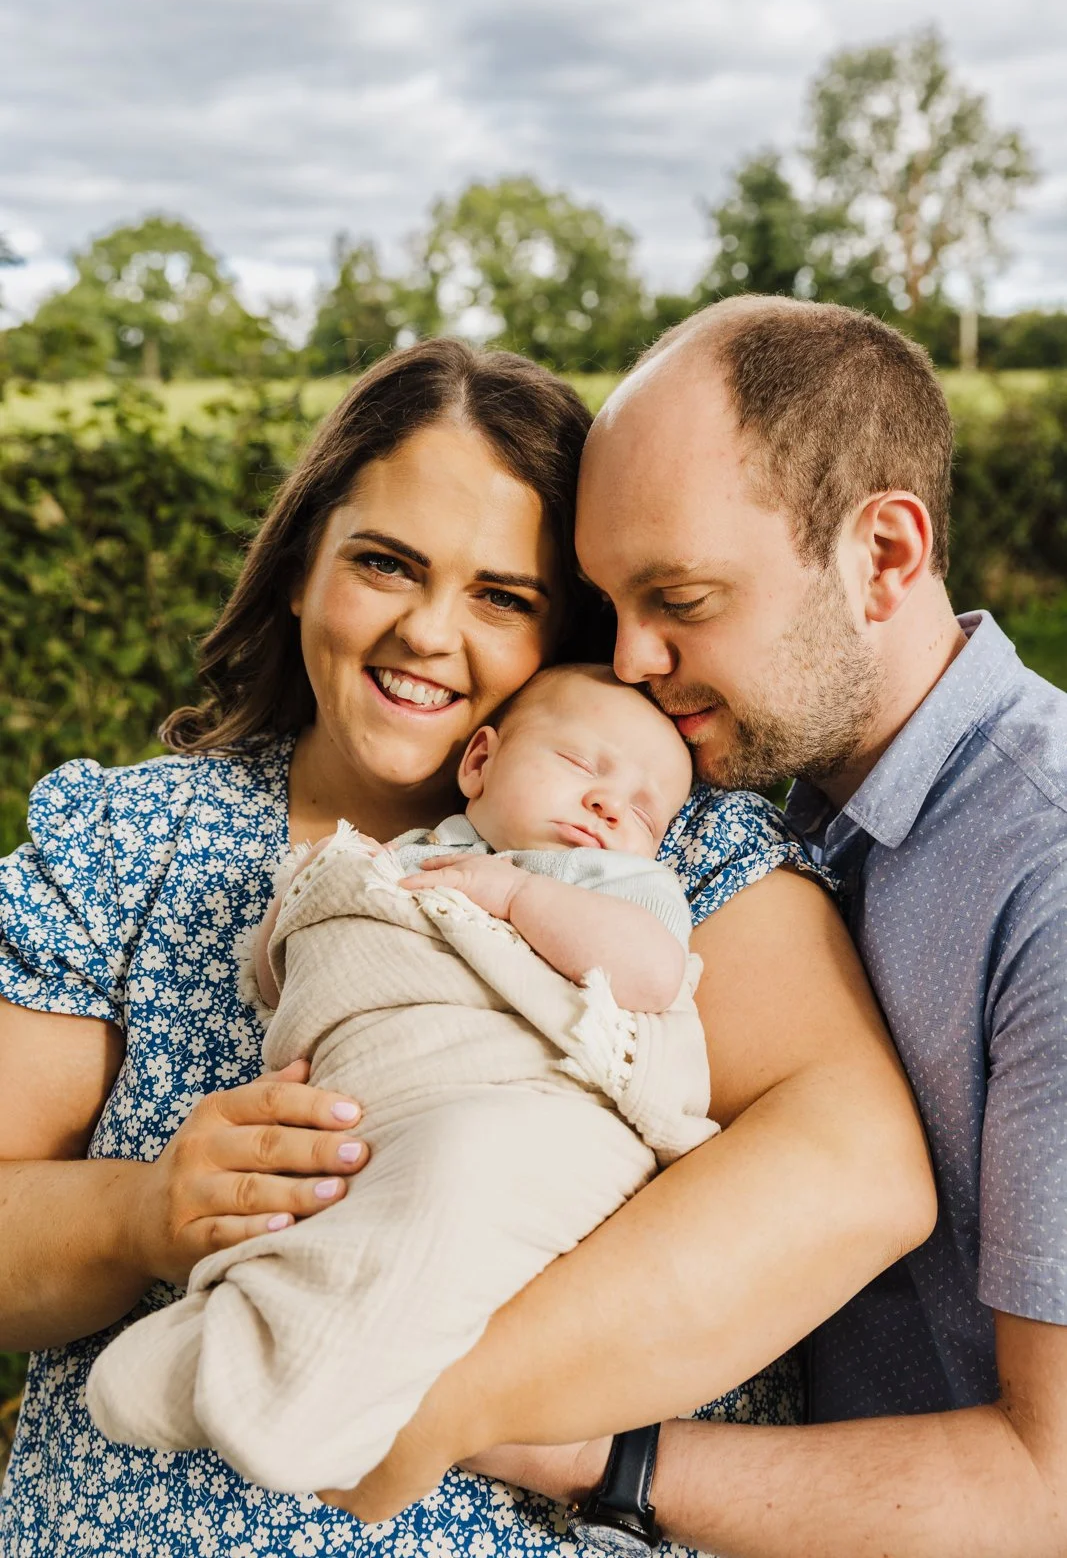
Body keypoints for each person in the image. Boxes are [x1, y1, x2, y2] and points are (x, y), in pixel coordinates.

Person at [0, 336, 932, 1557]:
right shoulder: (131, 844)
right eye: (383, 563)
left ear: (567, 629)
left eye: (502, 596)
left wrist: (428, 1400)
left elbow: (854, 1172)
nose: (428, 631)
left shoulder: (664, 843)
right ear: (300, 571)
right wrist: (136, 1212)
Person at [362, 298, 1067, 1558]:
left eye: (678, 597)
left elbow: (1048, 1487)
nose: (632, 658)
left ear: (882, 555)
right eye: (608, 602)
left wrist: (587, 1452)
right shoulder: (757, 802)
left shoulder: (1043, 879)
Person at [87, 667, 715, 1492]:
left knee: (460, 1173)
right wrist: (311, 897)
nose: (608, 806)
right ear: (479, 763)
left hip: (529, 1110)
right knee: (334, 1210)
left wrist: (516, 894)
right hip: (376, 1099)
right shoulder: (414, 853)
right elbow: (290, 968)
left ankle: (306, 1407)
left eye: (643, 811)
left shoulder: (619, 883)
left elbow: (651, 976)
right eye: (580, 764)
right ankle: (252, 1333)